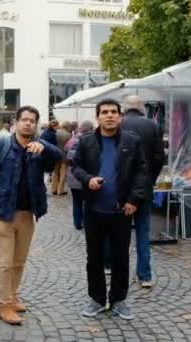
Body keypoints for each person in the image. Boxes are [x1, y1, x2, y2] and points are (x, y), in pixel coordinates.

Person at [0, 106, 61, 325]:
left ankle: (12, 296)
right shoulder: (2, 145)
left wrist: (42, 145)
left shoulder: (39, 147)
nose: (28, 124)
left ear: (36, 124)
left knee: (19, 261)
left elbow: (59, 156)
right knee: (4, 263)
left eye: (32, 121)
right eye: (24, 120)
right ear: (16, 122)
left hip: (28, 214)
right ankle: (3, 305)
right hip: (3, 213)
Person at [72, 98, 148, 320]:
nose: (109, 115)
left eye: (114, 112)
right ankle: (96, 298)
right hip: (94, 209)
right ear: (98, 117)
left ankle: (118, 300)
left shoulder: (132, 141)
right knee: (93, 258)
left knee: (120, 257)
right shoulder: (86, 142)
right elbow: (75, 166)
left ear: (120, 116)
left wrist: (134, 199)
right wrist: (88, 179)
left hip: (122, 210)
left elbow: (142, 172)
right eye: (104, 112)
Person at [121, 95, 166, 288]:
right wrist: (150, 180)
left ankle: (111, 267)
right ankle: (145, 275)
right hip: (145, 187)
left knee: (117, 232)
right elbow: (159, 157)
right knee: (142, 232)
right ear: (141, 108)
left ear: (124, 108)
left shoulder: (118, 123)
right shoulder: (152, 126)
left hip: (121, 188)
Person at [65, 120, 94, 230]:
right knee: (87, 202)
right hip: (85, 177)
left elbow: (66, 156)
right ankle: (86, 222)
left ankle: (77, 223)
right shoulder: (91, 141)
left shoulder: (71, 140)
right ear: (91, 129)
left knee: (76, 201)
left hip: (72, 176)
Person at [53, 121, 72, 195]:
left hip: (55, 154)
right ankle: (60, 190)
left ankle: (54, 189)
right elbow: (69, 147)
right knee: (63, 173)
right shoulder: (68, 135)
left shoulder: (56, 132)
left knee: (55, 172)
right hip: (64, 156)